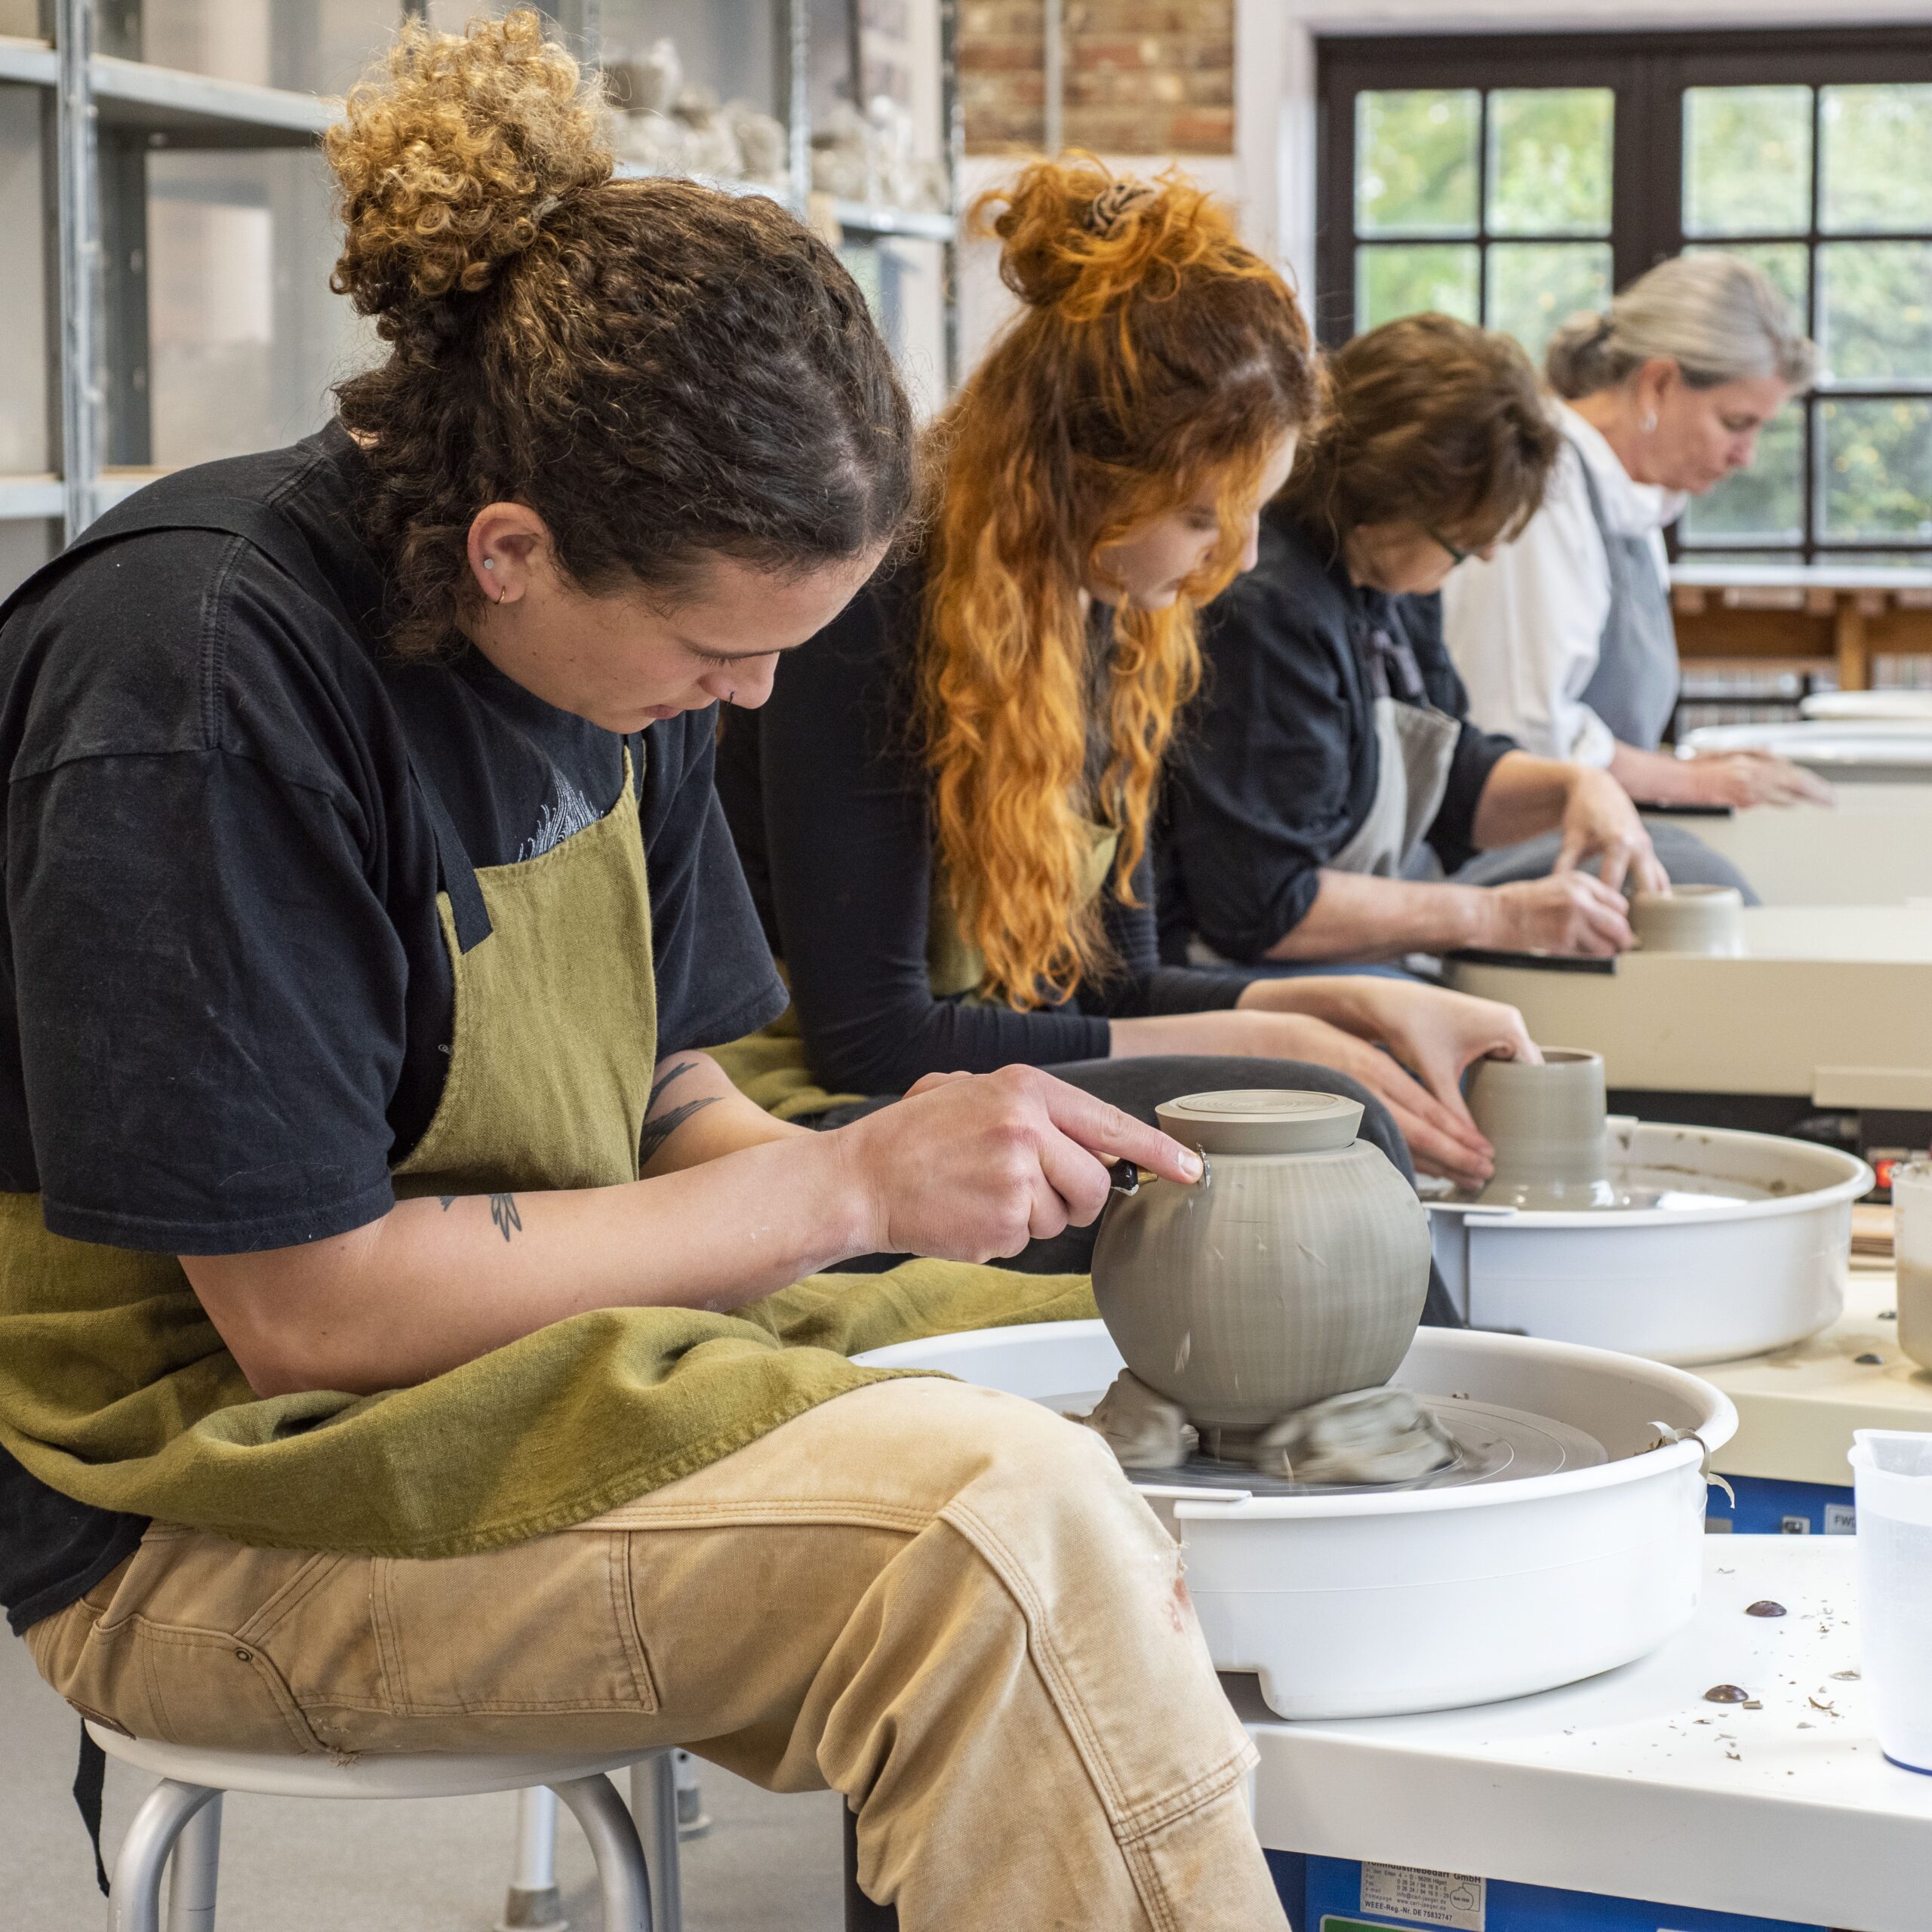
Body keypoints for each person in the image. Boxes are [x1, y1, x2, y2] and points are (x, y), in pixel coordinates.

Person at [0, 21, 1297, 1929]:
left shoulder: (635, 647)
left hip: (499, 1371)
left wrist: (916, 1207)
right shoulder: (198, 674)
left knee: (1115, 1389)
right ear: (509, 550)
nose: (750, 699)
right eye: (716, 650)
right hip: (211, 1501)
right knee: (985, 1536)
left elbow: (678, 1094)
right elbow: (309, 1313)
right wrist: (839, 1183)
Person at [716, 159, 1537, 1231]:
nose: (1237, 562)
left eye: (1256, 516)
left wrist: (1351, 1002)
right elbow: (872, 1039)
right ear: (1074, 476)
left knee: (1329, 1105)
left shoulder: (1111, 622)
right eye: (1202, 519)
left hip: (977, 1091)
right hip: (806, 1122)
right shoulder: (877, 609)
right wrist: (1268, 1038)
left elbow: (1108, 992)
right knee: (1307, 1144)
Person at [1159, 313, 1687, 973]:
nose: (1487, 555)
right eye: (1463, 542)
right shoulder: (1269, 610)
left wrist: (1576, 786)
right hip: (1234, 970)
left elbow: (1452, 779)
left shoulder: (1388, 582)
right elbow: (1263, 908)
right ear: (1386, 494)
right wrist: (1499, 917)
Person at [1442, 254, 1831, 815]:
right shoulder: (1545, 486)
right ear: (1659, 385)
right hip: (1513, 840)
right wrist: (1688, 783)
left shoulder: (1630, 501)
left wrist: (1694, 770)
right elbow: (1524, 734)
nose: (1745, 457)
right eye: (1735, 423)